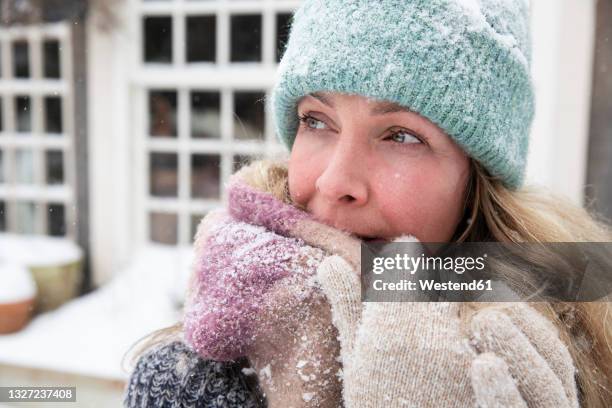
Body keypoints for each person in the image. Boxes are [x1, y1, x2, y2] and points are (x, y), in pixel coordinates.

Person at [123, 0, 612, 407]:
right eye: (317, 120)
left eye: (400, 135)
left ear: (475, 181)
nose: (336, 182)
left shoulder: (575, 351)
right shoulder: (187, 381)